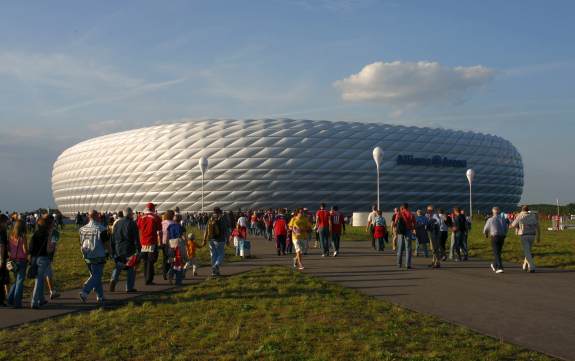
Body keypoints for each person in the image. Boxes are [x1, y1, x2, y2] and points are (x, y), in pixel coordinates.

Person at [79, 210, 110, 304]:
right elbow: (106, 243)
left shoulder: (82, 229)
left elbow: (81, 242)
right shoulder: (101, 228)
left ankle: (100, 296)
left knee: (95, 275)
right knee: (97, 275)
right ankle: (85, 291)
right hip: (98, 254)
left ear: (89, 217)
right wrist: (111, 252)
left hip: (87, 255)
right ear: (97, 216)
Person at [109, 208, 140, 293]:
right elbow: (136, 238)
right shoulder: (132, 223)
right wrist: (138, 250)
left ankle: (113, 279)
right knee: (131, 267)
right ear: (130, 214)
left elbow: (112, 237)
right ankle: (129, 287)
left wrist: (113, 249)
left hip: (118, 248)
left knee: (118, 265)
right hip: (129, 248)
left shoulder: (117, 223)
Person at [28, 215, 54, 309]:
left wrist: (30, 258)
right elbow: (49, 250)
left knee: (41, 280)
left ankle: (41, 299)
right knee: (38, 281)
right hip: (43, 258)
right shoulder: (47, 234)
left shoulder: (35, 234)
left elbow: (30, 248)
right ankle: (34, 302)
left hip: (35, 258)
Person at [137, 203, 162, 285]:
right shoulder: (156, 218)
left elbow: (139, 228)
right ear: (153, 208)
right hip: (152, 241)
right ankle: (149, 279)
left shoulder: (141, 218)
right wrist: (160, 242)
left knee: (145, 260)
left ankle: (146, 278)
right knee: (151, 261)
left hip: (143, 242)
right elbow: (159, 231)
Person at [511, 205, 541, 273]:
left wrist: (507, 225)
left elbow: (513, 225)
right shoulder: (533, 216)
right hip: (532, 235)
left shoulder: (520, 215)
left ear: (522, 210)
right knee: (528, 251)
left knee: (527, 252)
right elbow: (538, 227)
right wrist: (538, 237)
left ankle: (532, 267)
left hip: (524, 235)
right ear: (528, 210)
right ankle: (524, 265)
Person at [7, 219, 28, 308]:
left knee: (16, 281)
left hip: (13, 260)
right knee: (20, 282)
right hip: (21, 260)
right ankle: (17, 302)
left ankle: (10, 299)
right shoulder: (23, 237)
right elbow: (25, 250)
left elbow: (9, 249)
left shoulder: (11, 236)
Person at [203, 207, 228, 276]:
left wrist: (204, 239)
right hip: (220, 240)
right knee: (221, 254)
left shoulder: (210, 219)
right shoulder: (222, 219)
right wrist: (228, 239)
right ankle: (216, 266)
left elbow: (206, 230)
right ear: (219, 212)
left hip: (211, 240)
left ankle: (215, 272)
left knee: (213, 255)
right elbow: (225, 230)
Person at [483, 207, 508, 274]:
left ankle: (500, 267)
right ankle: (494, 265)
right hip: (502, 237)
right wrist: (505, 234)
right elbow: (506, 228)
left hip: (495, 237)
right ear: (499, 212)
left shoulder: (490, 219)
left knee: (496, 252)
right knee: (498, 252)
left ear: (493, 212)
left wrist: (486, 234)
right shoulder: (503, 219)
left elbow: (485, 229)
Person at [167, 214, 186, 285]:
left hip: (171, 244)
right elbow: (184, 237)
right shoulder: (181, 227)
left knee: (172, 261)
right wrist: (186, 243)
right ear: (180, 220)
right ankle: (178, 281)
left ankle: (170, 273)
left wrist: (167, 244)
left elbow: (168, 236)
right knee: (179, 263)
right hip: (179, 245)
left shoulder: (170, 226)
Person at [395, 203, 416, 269]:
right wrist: (413, 229)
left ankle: (399, 264)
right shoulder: (411, 214)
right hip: (408, 231)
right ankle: (408, 264)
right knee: (408, 248)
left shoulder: (399, 213)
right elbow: (414, 223)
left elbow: (395, 222)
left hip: (401, 232)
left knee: (400, 248)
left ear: (403, 207)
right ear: (408, 207)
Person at [161, 210, 176, 281]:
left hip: (163, 242)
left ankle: (164, 273)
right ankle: (169, 273)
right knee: (171, 258)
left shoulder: (162, 223)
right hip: (171, 242)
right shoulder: (172, 223)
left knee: (165, 258)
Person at [0, 214, 9, 307]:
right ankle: (1, 300)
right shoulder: (2, 232)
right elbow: (2, 246)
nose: (7, 224)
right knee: (2, 279)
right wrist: (2, 259)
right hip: (1, 258)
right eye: (6, 222)